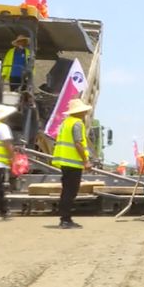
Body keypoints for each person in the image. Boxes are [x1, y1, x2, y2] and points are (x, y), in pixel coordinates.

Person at [52, 98, 93, 229]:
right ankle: (65, 219)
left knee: (66, 191)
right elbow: (78, 143)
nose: (85, 113)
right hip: (73, 163)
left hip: (64, 162)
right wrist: (86, 161)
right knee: (71, 192)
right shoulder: (77, 124)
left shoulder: (65, 123)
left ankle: (65, 218)